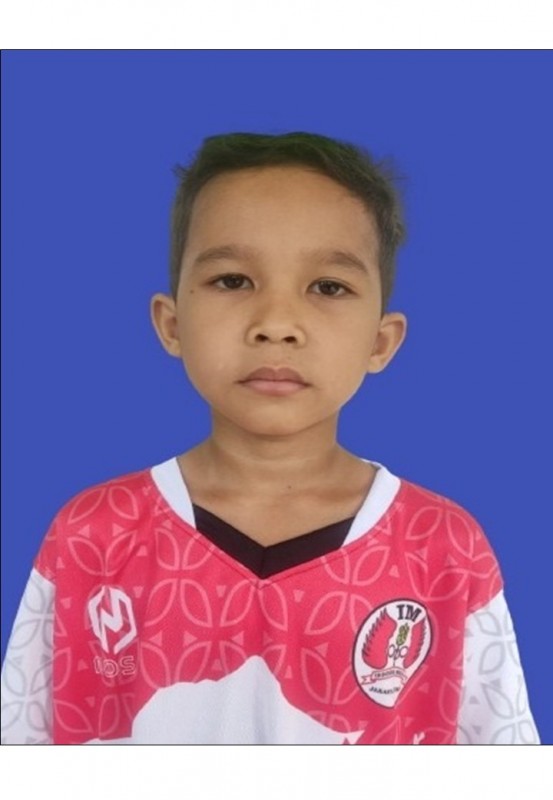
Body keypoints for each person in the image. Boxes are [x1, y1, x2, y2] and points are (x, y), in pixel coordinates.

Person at [1, 132, 539, 745]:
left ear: (381, 341)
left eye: (328, 287)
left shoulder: (444, 548)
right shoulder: (92, 535)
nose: (277, 324)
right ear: (171, 324)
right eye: (233, 280)